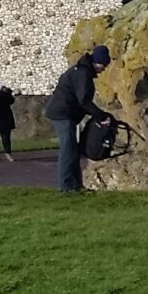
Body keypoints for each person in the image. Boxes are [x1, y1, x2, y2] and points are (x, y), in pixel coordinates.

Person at [43, 45, 111, 194]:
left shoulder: (80, 71)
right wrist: (102, 116)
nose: (103, 69)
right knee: (68, 150)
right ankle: (66, 186)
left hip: (64, 113)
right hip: (62, 114)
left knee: (72, 149)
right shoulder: (82, 74)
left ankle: (75, 185)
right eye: (103, 65)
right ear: (96, 62)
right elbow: (84, 101)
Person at [0, 81, 17, 162]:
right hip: (6, 118)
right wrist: (8, 92)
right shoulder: (6, 95)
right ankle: (8, 154)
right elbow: (12, 100)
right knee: (6, 138)